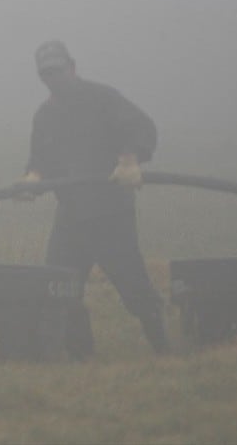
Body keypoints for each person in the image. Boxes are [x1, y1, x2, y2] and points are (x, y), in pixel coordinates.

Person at [17, 40, 168, 359]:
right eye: (46, 74)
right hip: (71, 215)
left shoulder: (103, 98)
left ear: (72, 67)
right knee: (60, 287)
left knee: (133, 285)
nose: (52, 78)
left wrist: (130, 159)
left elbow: (141, 127)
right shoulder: (44, 116)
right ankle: (83, 359)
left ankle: (165, 351)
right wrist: (33, 178)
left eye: (57, 71)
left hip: (111, 212)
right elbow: (39, 160)